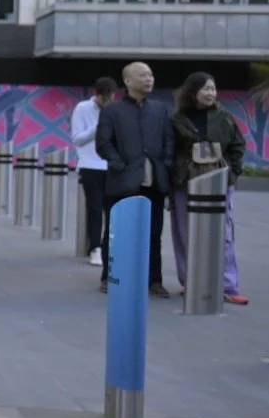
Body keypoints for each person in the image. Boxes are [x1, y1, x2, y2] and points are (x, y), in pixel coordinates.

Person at [96, 61, 174, 297]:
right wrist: (120, 164)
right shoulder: (112, 111)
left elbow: (169, 141)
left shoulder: (160, 109)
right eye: (142, 75)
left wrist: (166, 164)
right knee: (115, 232)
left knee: (153, 234)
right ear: (128, 81)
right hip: (122, 182)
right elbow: (103, 143)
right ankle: (110, 277)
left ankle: (154, 281)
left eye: (150, 74)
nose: (148, 79)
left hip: (154, 182)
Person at [168, 72, 247, 305]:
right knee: (184, 233)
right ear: (193, 93)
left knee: (224, 234)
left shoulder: (225, 117)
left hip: (219, 182)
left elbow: (237, 146)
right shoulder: (177, 119)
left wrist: (232, 173)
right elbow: (170, 150)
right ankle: (189, 281)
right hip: (186, 183)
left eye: (213, 89)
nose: (211, 93)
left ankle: (229, 286)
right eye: (206, 89)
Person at [71, 77, 118, 267]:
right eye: (104, 98)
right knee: (95, 208)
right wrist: (98, 126)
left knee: (112, 209)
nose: (107, 102)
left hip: (110, 165)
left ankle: (111, 248)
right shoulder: (83, 108)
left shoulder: (115, 110)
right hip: (90, 164)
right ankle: (95, 248)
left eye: (111, 97)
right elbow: (77, 138)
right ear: (96, 95)